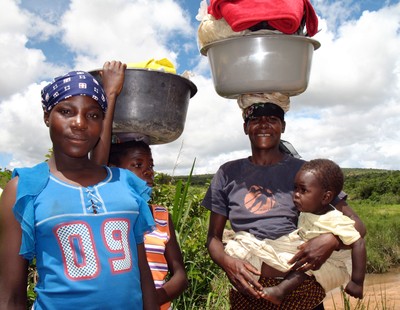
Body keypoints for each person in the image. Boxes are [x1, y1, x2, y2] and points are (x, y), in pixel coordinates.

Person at [0, 62, 159, 310]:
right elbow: (10, 297)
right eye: (66, 111)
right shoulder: (26, 189)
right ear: (46, 117)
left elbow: (143, 275)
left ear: (102, 122)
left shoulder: (126, 184)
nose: (80, 123)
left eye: (93, 115)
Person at [202, 99, 366, 309]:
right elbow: (213, 238)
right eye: (255, 119)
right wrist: (228, 263)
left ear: (283, 126)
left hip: (300, 284)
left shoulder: (308, 172)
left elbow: (357, 226)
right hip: (248, 286)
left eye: (272, 119)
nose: (264, 125)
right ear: (245, 127)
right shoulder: (227, 173)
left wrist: (331, 240)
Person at [232, 158, 365, 305]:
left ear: (326, 197)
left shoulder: (334, 219)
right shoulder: (309, 211)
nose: (296, 194)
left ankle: (280, 291)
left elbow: (358, 242)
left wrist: (357, 281)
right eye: (295, 188)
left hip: (331, 261)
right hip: (311, 255)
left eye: (303, 190)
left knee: (304, 268)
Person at [107, 140, 188, 310]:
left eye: (151, 165)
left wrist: (152, 300)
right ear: (114, 170)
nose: (149, 171)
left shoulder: (162, 216)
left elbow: (180, 275)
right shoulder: (106, 218)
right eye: (138, 164)